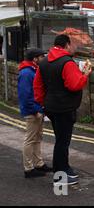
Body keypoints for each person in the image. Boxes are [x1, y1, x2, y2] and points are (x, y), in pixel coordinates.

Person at [34, 34, 92, 186]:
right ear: (66, 45)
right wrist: (85, 74)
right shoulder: (67, 62)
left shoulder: (44, 61)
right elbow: (74, 85)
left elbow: (38, 86)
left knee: (60, 139)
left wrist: (43, 103)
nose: (75, 47)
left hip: (51, 107)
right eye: (73, 45)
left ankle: (63, 169)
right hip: (64, 107)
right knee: (62, 142)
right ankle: (62, 173)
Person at [18, 48, 52, 178]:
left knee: (37, 138)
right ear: (35, 59)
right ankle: (28, 168)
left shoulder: (32, 70)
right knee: (30, 139)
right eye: (42, 56)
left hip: (37, 110)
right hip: (33, 111)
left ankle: (39, 164)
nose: (44, 58)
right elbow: (25, 95)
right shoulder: (27, 73)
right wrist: (35, 110)